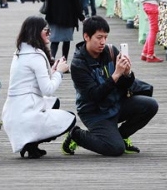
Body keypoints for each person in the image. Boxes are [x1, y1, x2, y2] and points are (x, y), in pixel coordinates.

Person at [62, 16, 158, 156]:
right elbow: (94, 95)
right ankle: (76, 135)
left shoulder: (111, 51)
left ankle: (121, 136)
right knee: (115, 149)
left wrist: (127, 73)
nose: (103, 42)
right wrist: (116, 75)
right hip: (94, 112)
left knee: (151, 105)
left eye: (105, 37)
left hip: (115, 103)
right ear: (86, 37)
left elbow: (125, 85)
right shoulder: (78, 64)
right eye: (99, 37)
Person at [2, 16, 76, 158]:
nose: (50, 34)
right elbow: (47, 89)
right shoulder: (35, 56)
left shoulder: (19, 52)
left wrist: (53, 70)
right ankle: (30, 141)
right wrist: (60, 72)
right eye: (46, 31)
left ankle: (31, 145)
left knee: (54, 102)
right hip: (25, 115)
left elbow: (33, 81)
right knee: (70, 118)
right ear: (36, 32)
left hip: (13, 114)